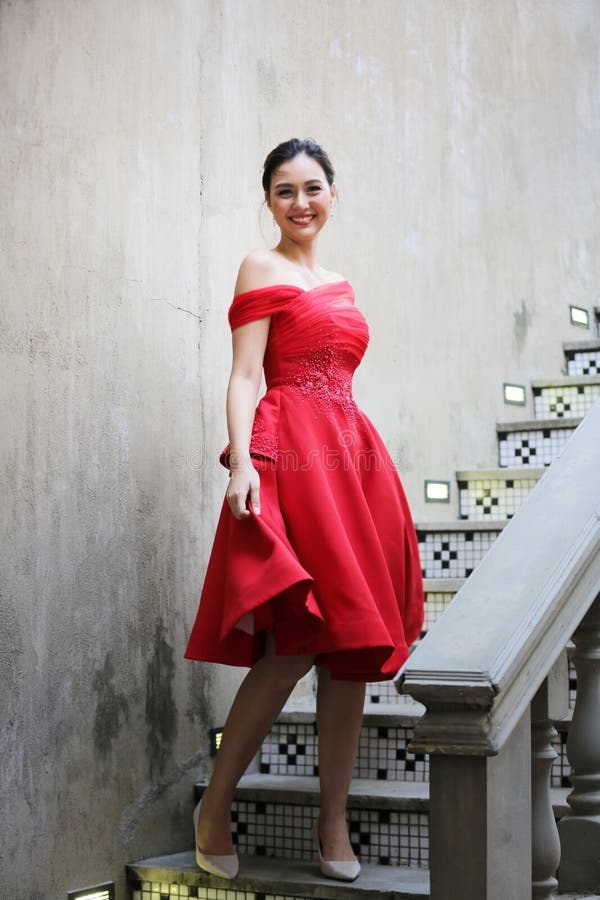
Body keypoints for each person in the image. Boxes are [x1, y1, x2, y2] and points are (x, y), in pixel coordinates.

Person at [185, 138, 424, 882]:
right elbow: (245, 374)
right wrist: (243, 463)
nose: (301, 203)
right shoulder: (261, 266)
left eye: (313, 188)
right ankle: (214, 807)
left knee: (350, 655)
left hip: (350, 461)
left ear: (333, 192)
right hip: (291, 456)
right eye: (285, 191)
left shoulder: (341, 281)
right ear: (268, 202)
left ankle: (332, 827)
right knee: (291, 646)